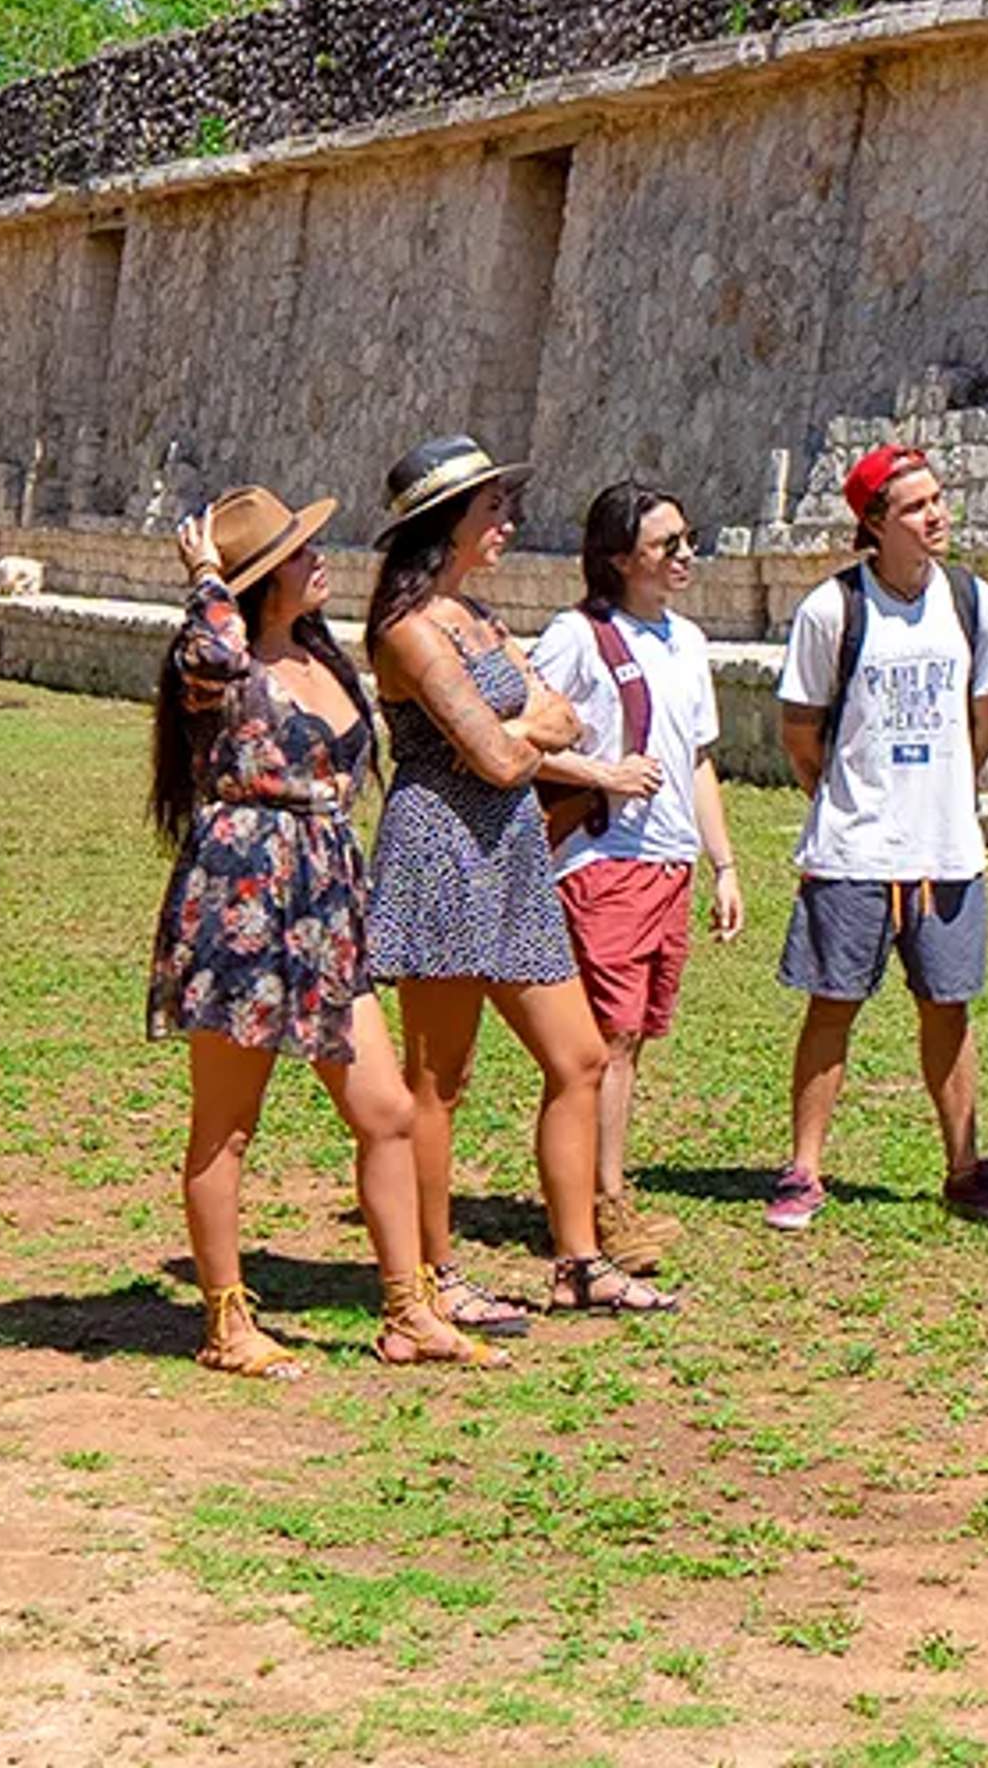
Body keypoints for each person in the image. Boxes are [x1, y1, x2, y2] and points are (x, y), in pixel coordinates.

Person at [147, 485, 494, 1374]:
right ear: (261, 578)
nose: (321, 559)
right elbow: (213, 657)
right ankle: (227, 1323)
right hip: (243, 899)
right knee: (227, 1124)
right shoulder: (217, 659)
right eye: (300, 553)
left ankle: (409, 1312)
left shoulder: (322, 656)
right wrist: (210, 580)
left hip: (327, 900)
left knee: (386, 1111)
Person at [363, 434, 677, 1324]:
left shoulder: (479, 621)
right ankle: (434, 1273)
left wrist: (528, 731)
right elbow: (503, 756)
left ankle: (578, 1261)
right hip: (441, 854)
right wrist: (529, 730)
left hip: (509, 854)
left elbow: (563, 720)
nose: (508, 520)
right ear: (444, 523)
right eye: (492, 507)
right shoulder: (411, 631)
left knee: (578, 1058)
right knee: (439, 1081)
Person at [767, 442, 988, 1232]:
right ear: (875, 523)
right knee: (833, 1005)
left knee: (948, 1007)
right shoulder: (832, 610)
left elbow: (985, 714)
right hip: (854, 847)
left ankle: (965, 1165)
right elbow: (799, 731)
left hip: (946, 847)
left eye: (938, 498)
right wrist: (849, 804)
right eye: (917, 506)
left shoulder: (973, 601)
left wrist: (945, 794)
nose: (937, 514)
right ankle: (804, 1167)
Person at [533, 481, 746, 1279]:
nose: (686, 556)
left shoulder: (687, 641)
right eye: (668, 545)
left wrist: (721, 864)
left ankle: (600, 1183)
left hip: (667, 864)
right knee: (607, 1040)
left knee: (635, 1038)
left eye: (688, 539)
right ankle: (600, 1202)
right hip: (601, 858)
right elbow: (514, 740)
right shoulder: (577, 638)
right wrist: (604, 773)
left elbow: (697, 759)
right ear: (619, 559)